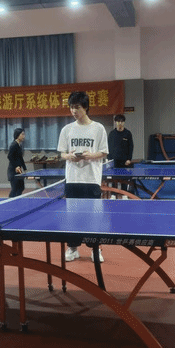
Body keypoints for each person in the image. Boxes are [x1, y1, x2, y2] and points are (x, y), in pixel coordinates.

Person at [57, 91, 108, 262]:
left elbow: (104, 152)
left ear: (85, 107)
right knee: (72, 216)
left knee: (93, 216)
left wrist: (90, 155)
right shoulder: (67, 129)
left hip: (91, 179)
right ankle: (73, 248)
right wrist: (70, 156)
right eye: (71, 107)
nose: (73, 111)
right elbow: (62, 154)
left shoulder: (98, 128)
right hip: (72, 179)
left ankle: (95, 249)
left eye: (77, 107)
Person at [7, 127, 27, 197]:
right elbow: (9, 156)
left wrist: (24, 168)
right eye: (22, 134)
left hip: (18, 171)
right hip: (13, 171)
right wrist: (16, 166)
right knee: (14, 189)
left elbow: (20, 158)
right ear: (18, 135)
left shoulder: (19, 145)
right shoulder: (14, 145)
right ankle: (10, 200)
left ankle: (17, 200)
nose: (24, 136)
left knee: (21, 187)